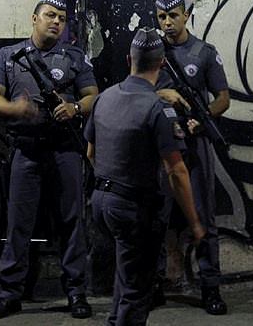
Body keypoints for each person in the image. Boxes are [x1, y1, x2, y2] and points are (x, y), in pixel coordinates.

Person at [0, 0, 98, 320]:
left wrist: (75, 108)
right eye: (50, 15)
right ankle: (9, 294)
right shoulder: (9, 56)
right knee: (18, 224)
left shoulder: (74, 57)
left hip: (64, 150)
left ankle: (76, 293)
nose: (56, 22)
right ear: (34, 18)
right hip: (26, 149)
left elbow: (93, 94)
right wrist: (15, 108)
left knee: (71, 223)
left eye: (61, 19)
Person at [85, 26, 205, 326]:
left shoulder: (104, 98)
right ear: (162, 63)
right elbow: (176, 170)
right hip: (133, 209)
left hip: (101, 203)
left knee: (126, 279)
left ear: (129, 60)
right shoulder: (158, 108)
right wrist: (194, 222)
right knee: (137, 292)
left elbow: (90, 153)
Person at [153, 0, 230, 315]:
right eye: (161, 17)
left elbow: (223, 98)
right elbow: (136, 89)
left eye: (173, 16)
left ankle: (210, 287)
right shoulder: (151, 51)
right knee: (155, 216)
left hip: (195, 143)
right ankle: (153, 285)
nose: (167, 22)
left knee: (203, 216)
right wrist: (163, 96)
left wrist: (203, 117)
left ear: (186, 15)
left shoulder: (204, 53)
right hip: (162, 144)